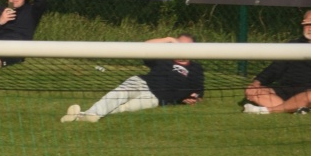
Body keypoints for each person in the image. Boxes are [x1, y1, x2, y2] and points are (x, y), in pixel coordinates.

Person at [60, 35, 204, 123]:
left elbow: (197, 93)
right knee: (118, 95)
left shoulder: (195, 69)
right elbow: (144, 47)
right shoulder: (164, 57)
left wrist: (190, 99)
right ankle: (91, 114)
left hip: (155, 98)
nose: (180, 48)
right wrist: (168, 39)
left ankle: (82, 116)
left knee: (124, 109)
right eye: (178, 44)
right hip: (141, 83)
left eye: (184, 46)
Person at [243, 9, 311, 114]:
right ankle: (296, 108)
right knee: (252, 91)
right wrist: (257, 82)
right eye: (307, 24)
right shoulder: (293, 44)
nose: (310, 28)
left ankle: (268, 110)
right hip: (287, 91)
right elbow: (275, 68)